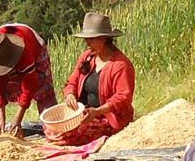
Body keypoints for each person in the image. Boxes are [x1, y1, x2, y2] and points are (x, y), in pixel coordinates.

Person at [53, 12, 136, 146]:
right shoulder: (87, 57)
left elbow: (123, 97)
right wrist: (70, 95)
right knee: (52, 129)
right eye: (86, 39)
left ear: (103, 39)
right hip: (85, 113)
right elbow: (72, 82)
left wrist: (97, 111)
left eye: (91, 39)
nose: (87, 43)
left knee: (68, 134)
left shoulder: (121, 65)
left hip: (107, 118)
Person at [0, 24, 56, 137]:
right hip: (1, 56)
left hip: (33, 45)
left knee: (43, 90)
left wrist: (18, 119)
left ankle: (53, 129)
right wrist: (2, 120)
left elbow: (29, 87)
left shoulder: (24, 54)